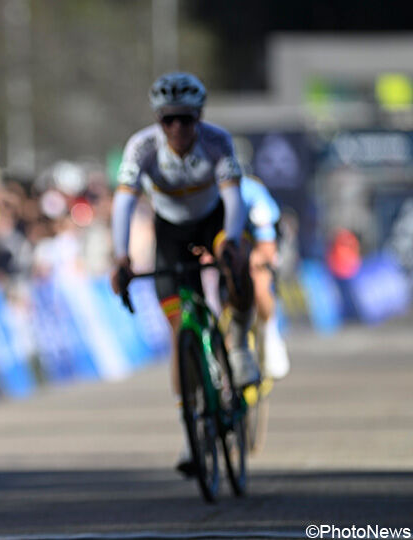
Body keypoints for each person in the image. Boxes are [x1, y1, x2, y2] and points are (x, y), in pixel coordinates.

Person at [110, 72, 259, 477]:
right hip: (170, 232)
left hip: (214, 222)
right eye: (168, 120)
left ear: (199, 118)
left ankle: (241, 344)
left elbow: (233, 197)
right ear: (159, 121)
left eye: (186, 120)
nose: (177, 128)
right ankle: (190, 427)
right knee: (180, 332)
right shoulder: (141, 147)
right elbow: (123, 204)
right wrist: (121, 256)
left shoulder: (217, 141)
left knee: (240, 261)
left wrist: (228, 241)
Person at [240, 175, 289, 379]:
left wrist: (260, 258)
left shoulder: (252, 195)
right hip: (232, 237)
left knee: (259, 282)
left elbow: (266, 247)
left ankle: (269, 330)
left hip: (261, 234)